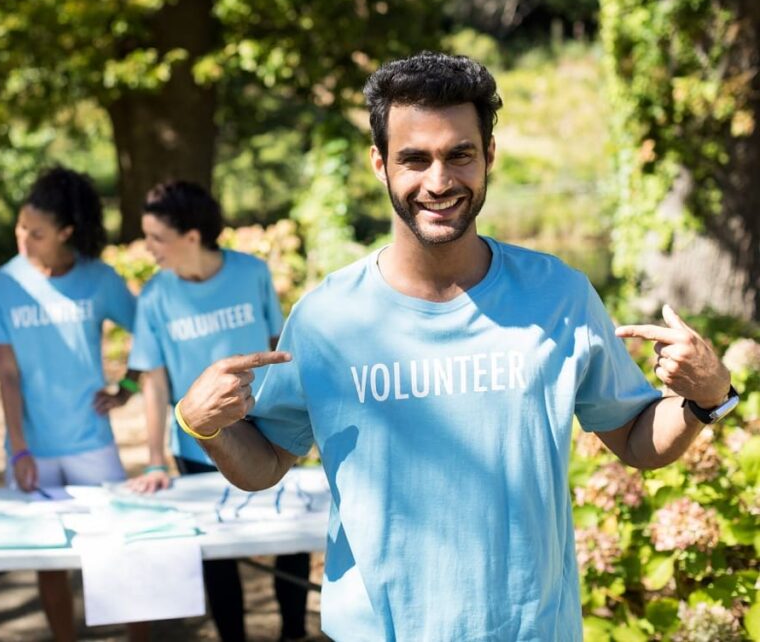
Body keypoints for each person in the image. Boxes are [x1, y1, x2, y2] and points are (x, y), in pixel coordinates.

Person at [172, 52, 738, 641]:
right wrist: (203, 423)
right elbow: (265, 463)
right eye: (414, 159)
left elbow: (633, 438)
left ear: (488, 156)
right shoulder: (327, 319)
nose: (438, 182)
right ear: (380, 164)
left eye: (459, 155)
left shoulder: (558, 296)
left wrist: (704, 400)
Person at [125, 180, 312, 642]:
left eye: (157, 239)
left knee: (291, 535)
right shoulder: (154, 297)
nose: (149, 249)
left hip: (265, 430)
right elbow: (153, 381)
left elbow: (276, 348)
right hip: (196, 441)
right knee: (216, 551)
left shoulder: (251, 273)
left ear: (192, 237)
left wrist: (295, 418)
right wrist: (153, 457)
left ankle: (293, 632)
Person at [0, 166, 147, 642]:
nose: (23, 240)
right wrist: (19, 449)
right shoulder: (0, 285)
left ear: (66, 232)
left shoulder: (99, 279)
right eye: (20, 228)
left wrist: (127, 389)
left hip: (92, 439)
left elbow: (147, 333)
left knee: (119, 549)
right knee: (47, 559)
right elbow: (6, 375)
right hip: (33, 446)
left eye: (36, 233)